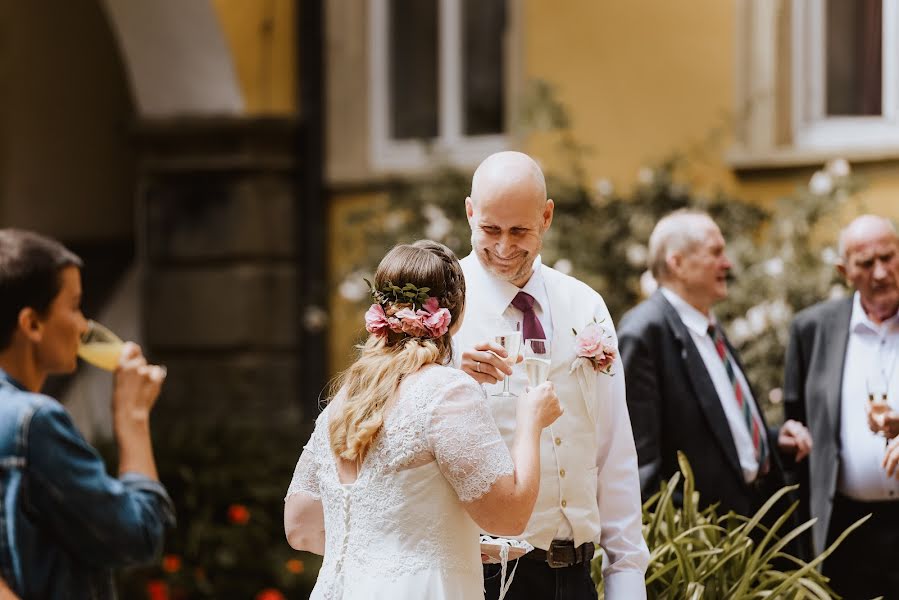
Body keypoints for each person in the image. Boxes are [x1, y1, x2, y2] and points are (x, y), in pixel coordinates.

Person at [284, 240, 563, 599]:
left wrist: (443, 544)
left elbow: (301, 527)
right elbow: (509, 517)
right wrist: (531, 422)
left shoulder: (343, 402)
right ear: (456, 316)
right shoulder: (447, 391)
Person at [454, 151, 649, 600]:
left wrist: (626, 578)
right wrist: (446, 374)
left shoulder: (586, 306)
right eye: (490, 230)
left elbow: (614, 449)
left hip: (576, 576)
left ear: (546, 217)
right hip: (481, 580)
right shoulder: (442, 315)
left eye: (519, 230)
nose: (504, 248)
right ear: (469, 213)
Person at [0, 228, 173, 599]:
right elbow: (137, 535)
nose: (83, 326)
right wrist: (133, 418)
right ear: (32, 323)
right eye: (75, 306)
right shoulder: (35, 422)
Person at [618, 210, 812, 518]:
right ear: (677, 262)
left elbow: (714, 428)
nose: (728, 263)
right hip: (706, 542)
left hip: (757, 521)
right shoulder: (645, 332)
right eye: (716, 252)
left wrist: (771, 441)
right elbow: (642, 462)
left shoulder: (706, 323)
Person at [784, 214, 899, 599]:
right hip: (845, 528)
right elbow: (794, 422)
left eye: (889, 257)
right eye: (866, 263)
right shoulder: (811, 329)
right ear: (844, 270)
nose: (881, 272)